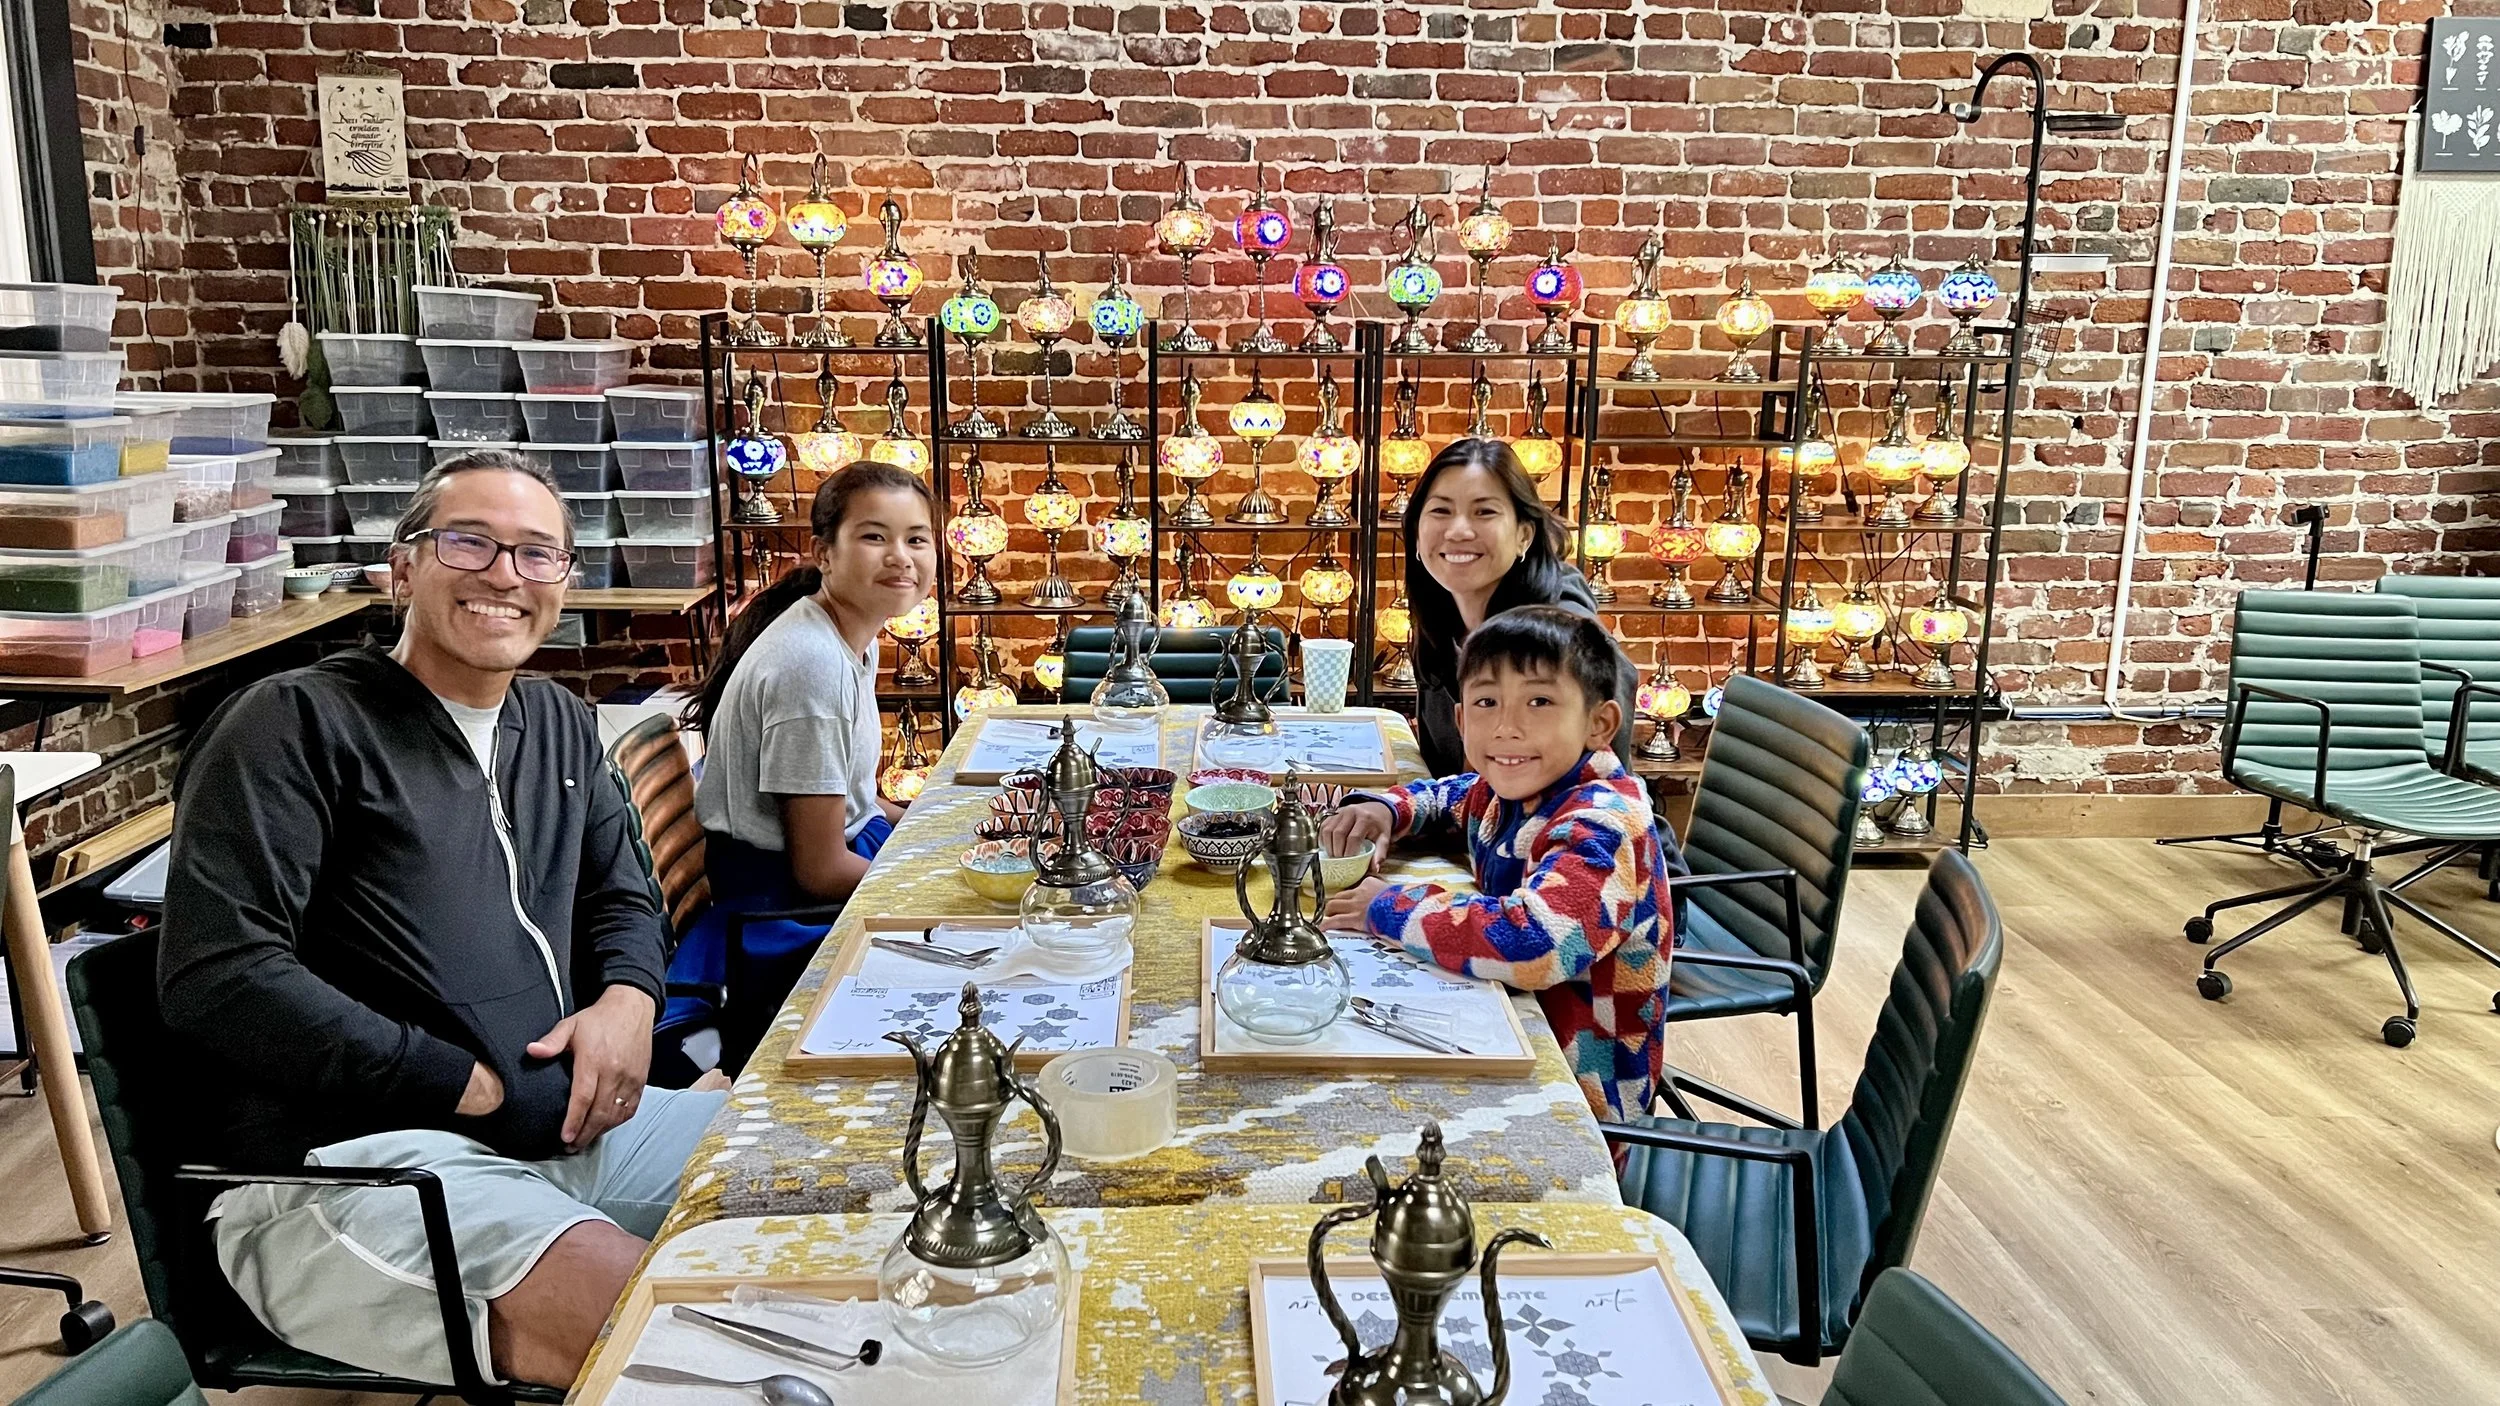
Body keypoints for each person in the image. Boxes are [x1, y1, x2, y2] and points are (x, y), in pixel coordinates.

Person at [158, 449, 727, 1389]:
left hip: (568, 1132)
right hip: (353, 1165)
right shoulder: (291, 724)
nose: (506, 574)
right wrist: (462, 1082)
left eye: (537, 553)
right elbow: (218, 974)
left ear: (563, 585)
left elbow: (622, 892)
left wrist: (630, 998)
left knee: (841, 1182)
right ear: (403, 568)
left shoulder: (556, 722)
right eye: (471, 542)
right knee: (689, 1346)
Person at [1320, 606, 1676, 1124]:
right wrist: (1387, 809)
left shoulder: (1605, 824)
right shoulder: (1518, 786)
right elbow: (1455, 794)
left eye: (1540, 701)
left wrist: (1388, 906)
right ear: (1462, 718)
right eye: (1487, 702)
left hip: (1580, 1098)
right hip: (1500, 1030)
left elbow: (1533, 945)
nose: (1507, 727)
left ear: (1599, 724)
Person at [667, 462, 936, 1076]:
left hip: (820, 877)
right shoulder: (809, 668)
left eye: (916, 538)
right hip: (784, 919)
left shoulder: (846, 639)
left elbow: (857, 803)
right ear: (826, 553)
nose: (901, 557)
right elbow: (818, 871)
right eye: (874, 536)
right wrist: (935, 894)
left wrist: (931, 823)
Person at [1401, 438, 1637, 777]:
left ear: (1524, 535)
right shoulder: (1440, 616)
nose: (1458, 530)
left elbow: (1594, 791)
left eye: (1484, 512)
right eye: (1441, 510)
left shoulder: (1565, 639)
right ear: (1417, 533)